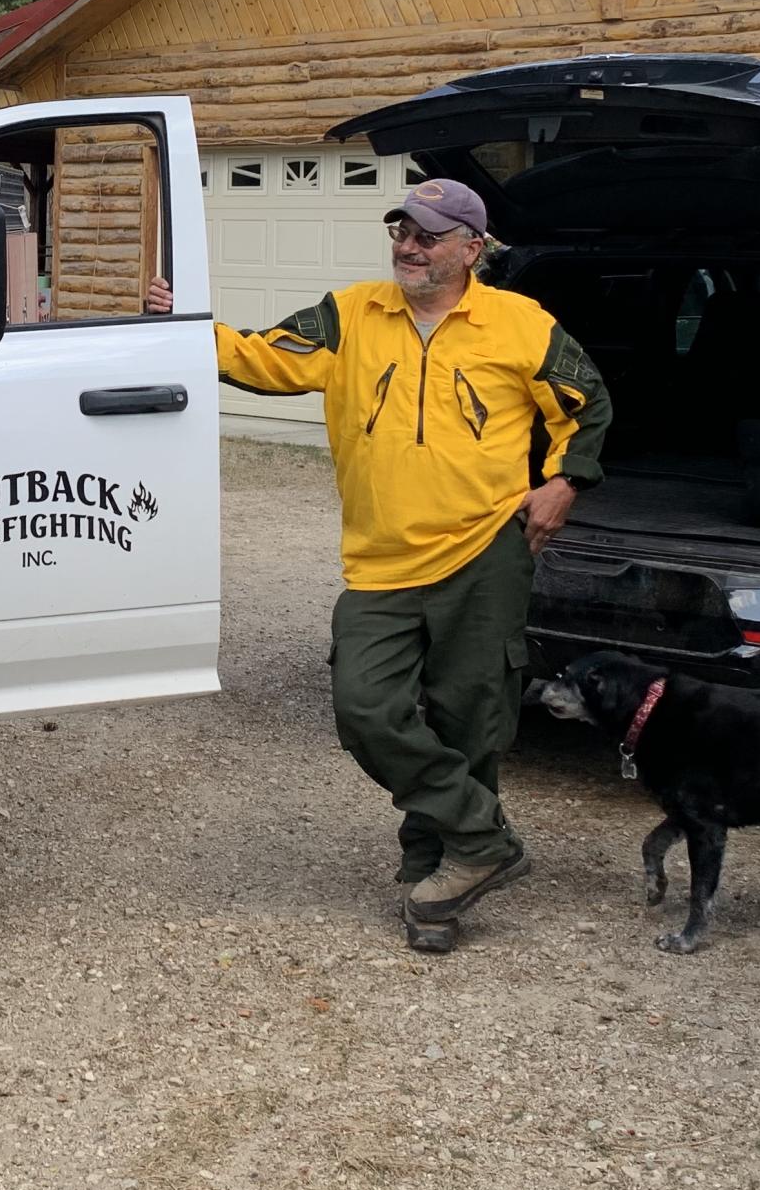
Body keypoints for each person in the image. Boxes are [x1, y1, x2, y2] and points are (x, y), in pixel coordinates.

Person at [147, 178, 611, 951]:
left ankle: (441, 881)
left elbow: (585, 402)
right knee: (364, 706)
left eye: (429, 236)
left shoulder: (518, 323)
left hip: (483, 549)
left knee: (473, 718)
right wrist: (184, 329)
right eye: (403, 231)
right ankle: (481, 835)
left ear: (472, 248)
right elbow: (263, 358)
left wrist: (564, 482)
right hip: (381, 560)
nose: (409, 246)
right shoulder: (352, 313)